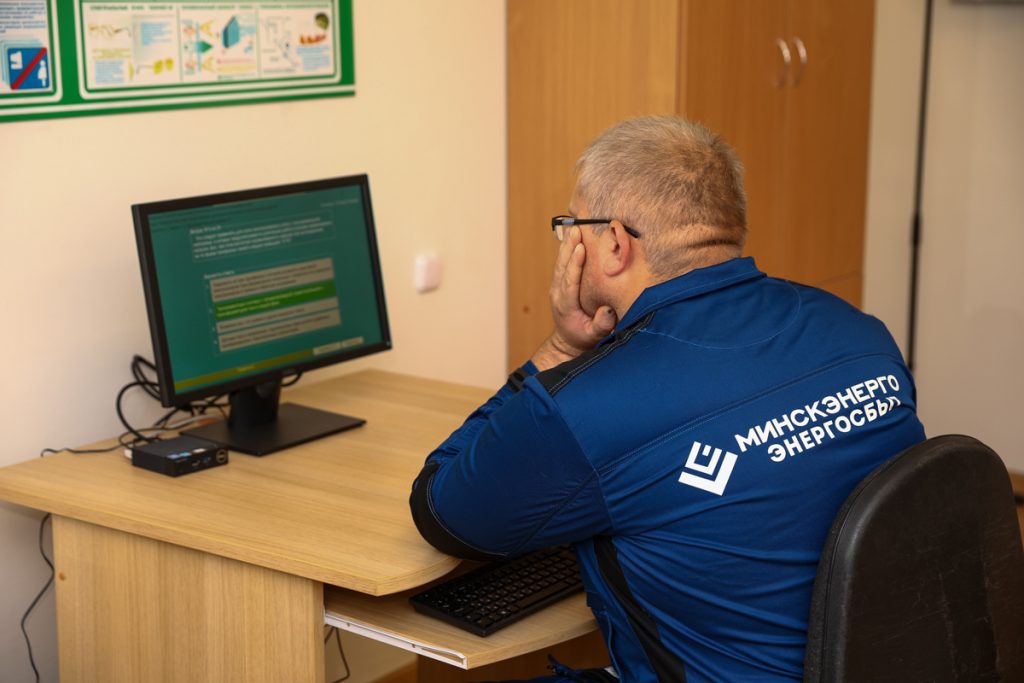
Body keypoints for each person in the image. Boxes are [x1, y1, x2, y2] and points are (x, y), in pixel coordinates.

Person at [409, 116, 926, 682]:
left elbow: (444, 512)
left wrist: (560, 349)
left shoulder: (590, 407)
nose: (568, 244)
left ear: (613, 244)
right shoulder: (861, 335)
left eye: (571, 227)